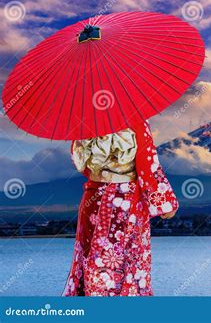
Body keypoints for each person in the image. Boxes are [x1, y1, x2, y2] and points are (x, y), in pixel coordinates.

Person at [62, 121, 178, 296]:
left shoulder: (84, 121)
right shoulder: (134, 119)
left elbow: (82, 166)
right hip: (125, 201)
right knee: (127, 261)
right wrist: (165, 203)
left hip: (93, 198)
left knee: (92, 257)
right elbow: (147, 165)